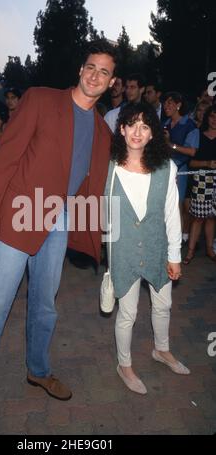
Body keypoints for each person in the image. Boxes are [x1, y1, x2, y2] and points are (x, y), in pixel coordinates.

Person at [0, 39, 117, 434]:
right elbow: (8, 153)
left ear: (112, 82)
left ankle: (38, 371)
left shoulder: (100, 129)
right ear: (81, 70)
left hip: (58, 220)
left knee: (45, 305)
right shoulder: (41, 99)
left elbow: (92, 184)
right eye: (91, 67)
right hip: (16, 218)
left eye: (105, 71)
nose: (96, 75)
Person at [105, 102, 190, 395]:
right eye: (132, 125)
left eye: (145, 126)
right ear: (122, 129)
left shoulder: (167, 168)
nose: (138, 132)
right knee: (127, 313)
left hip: (157, 249)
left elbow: (171, 213)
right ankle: (124, 365)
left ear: (153, 133)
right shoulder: (110, 169)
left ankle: (161, 350)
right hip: (124, 252)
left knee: (163, 305)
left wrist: (175, 257)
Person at [183, 105, 216, 264]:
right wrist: (207, 163)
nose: (214, 120)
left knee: (212, 218)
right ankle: (190, 252)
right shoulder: (198, 135)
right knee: (197, 218)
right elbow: (191, 163)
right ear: (207, 117)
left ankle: (210, 250)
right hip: (201, 181)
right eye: (212, 116)